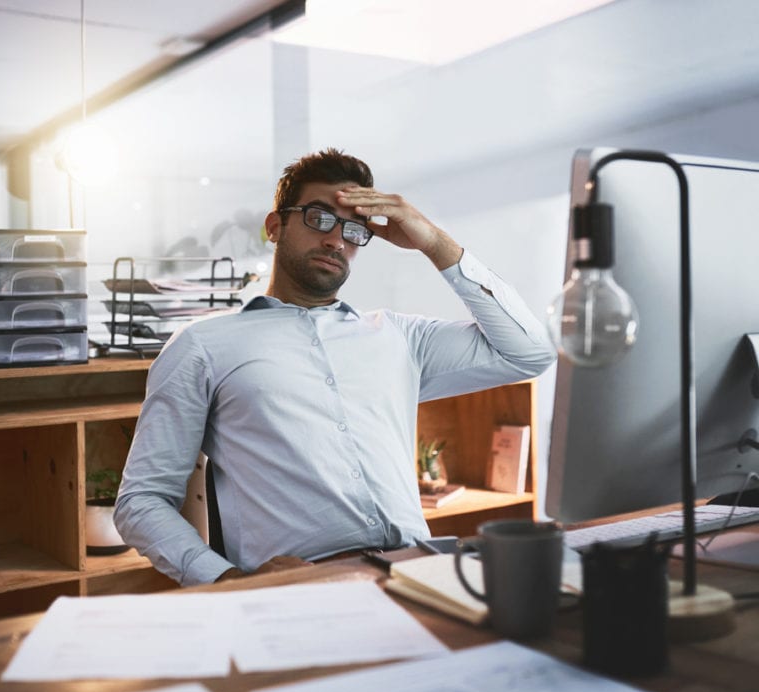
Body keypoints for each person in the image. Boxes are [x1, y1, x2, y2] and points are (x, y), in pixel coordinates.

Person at [114, 148, 556, 586]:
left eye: (354, 230)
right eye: (319, 218)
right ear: (275, 226)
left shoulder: (399, 337)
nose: (336, 240)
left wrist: (434, 242)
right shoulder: (202, 346)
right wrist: (226, 581)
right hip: (305, 585)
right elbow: (141, 501)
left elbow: (530, 352)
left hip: (419, 573)